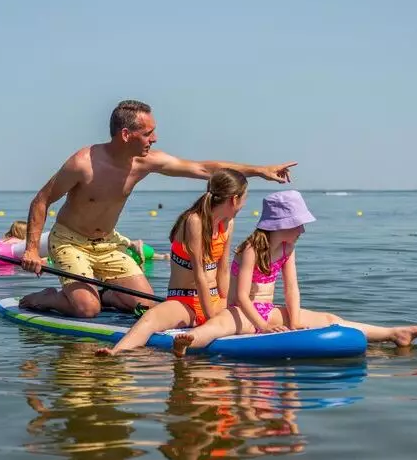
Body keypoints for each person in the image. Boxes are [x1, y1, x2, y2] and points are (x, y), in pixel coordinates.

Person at [17, 99, 294, 318]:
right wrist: (31, 250)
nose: (155, 138)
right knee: (87, 310)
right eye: (148, 133)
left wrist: (260, 170)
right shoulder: (83, 164)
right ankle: (49, 297)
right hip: (70, 242)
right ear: (126, 135)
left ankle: (104, 294)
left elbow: (202, 169)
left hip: (107, 243)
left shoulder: (145, 162)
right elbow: (41, 201)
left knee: (147, 305)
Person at [172, 191, 417, 357]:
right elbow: (240, 296)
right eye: (298, 225)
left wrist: (294, 321)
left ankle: (394, 333)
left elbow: (291, 288)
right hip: (243, 312)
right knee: (217, 327)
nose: (302, 231)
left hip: (270, 310)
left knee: (330, 318)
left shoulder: (288, 248)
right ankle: (188, 343)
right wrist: (263, 327)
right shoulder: (251, 248)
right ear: (281, 225)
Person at [95, 169, 248, 356]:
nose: (244, 204)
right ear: (234, 199)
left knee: (250, 307)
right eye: (244, 198)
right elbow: (199, 276)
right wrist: (212, 320)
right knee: (150, 318)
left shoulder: (227, 224)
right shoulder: (194, 221)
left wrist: (229, 304)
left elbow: (223, 270)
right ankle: (116, 351)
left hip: (215, 299)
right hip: (185, 302)